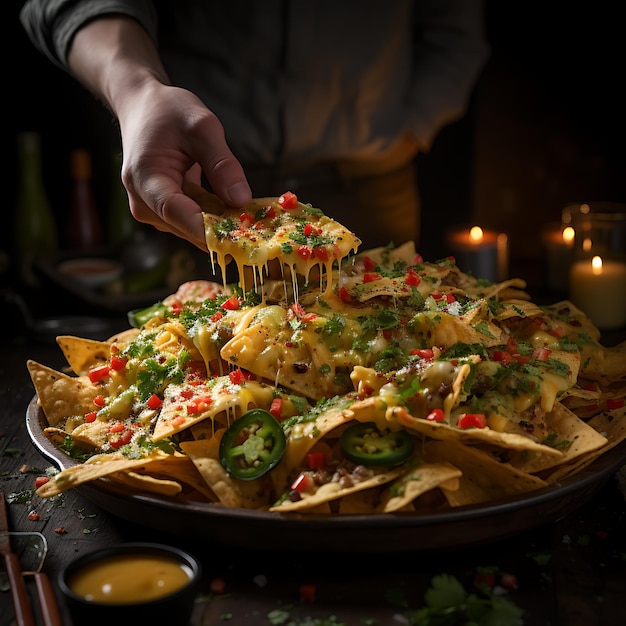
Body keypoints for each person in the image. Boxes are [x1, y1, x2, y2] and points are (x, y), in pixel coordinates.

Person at [20, 1, 489, 253]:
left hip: (371, 188)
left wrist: (411, 128)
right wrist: (137, 89)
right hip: (195, 189)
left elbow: (456, 29)